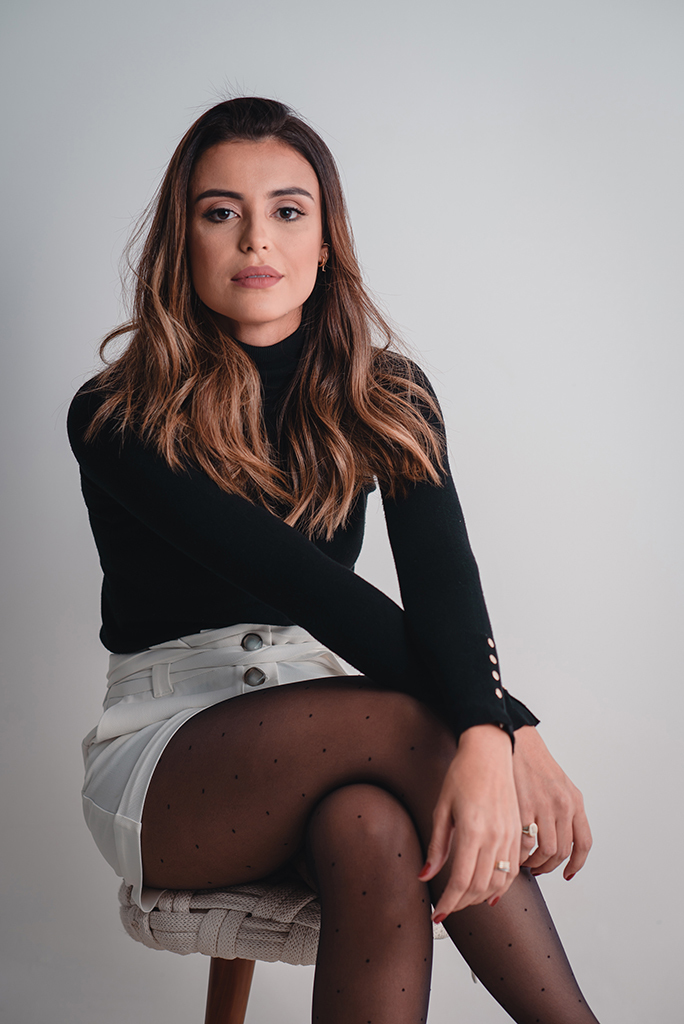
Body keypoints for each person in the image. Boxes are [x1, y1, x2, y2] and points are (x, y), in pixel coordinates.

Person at [68, 96, 599, 1023]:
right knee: (415, 729)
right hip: (170, 757)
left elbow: (442, 580)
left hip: (330, 721)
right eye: (221, 212)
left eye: (287, 210)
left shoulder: (386, 392)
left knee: (374, 827)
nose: (255, 239)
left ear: (324, 243)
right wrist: (502, 729)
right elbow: (309, 588)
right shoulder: (119, 413)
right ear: (183, 242)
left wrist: (495, 727)